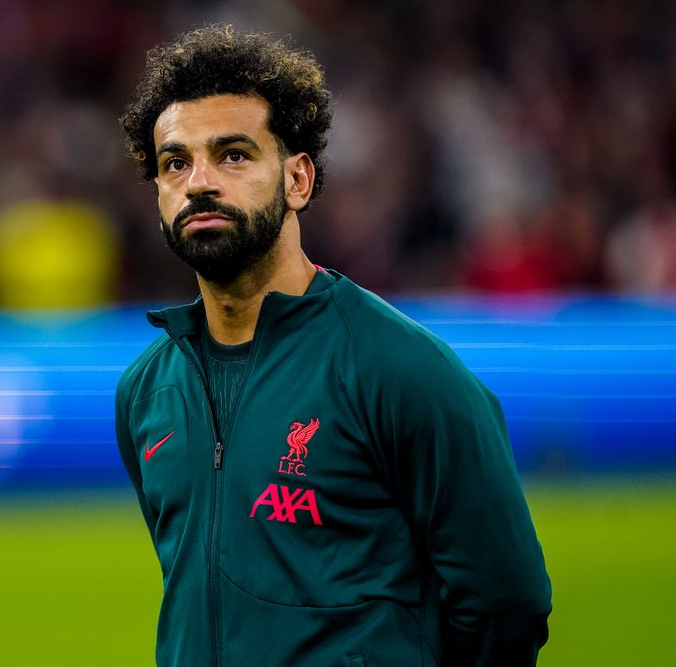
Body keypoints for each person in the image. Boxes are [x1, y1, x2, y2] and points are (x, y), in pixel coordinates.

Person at [114, 25, 551, 666]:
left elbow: (506, 603)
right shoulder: (147, 389)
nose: (198, 181)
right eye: (175, 162)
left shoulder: (399, 368)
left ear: (297, 179)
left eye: (233, 155)